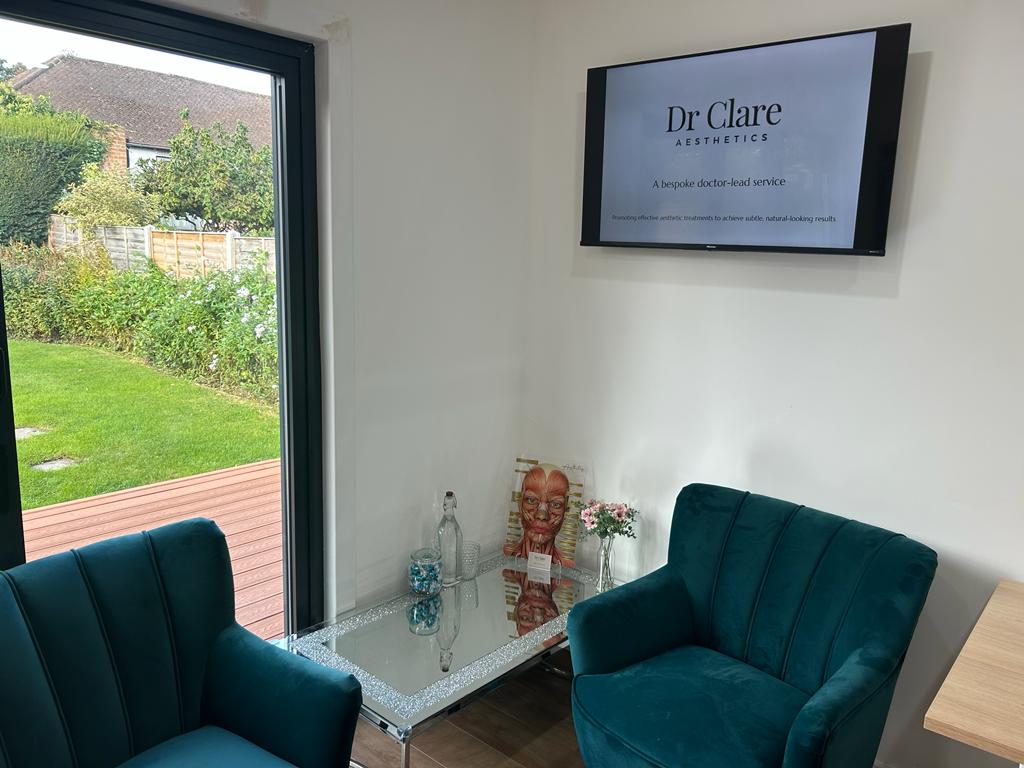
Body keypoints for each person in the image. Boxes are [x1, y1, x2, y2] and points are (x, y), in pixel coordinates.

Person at [504, 463, 575, 567]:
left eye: (555, 504)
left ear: (566, 511)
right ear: (520, 504)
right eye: (531, 500)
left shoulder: (566, 567)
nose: (542, 516)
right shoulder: (507, 557)